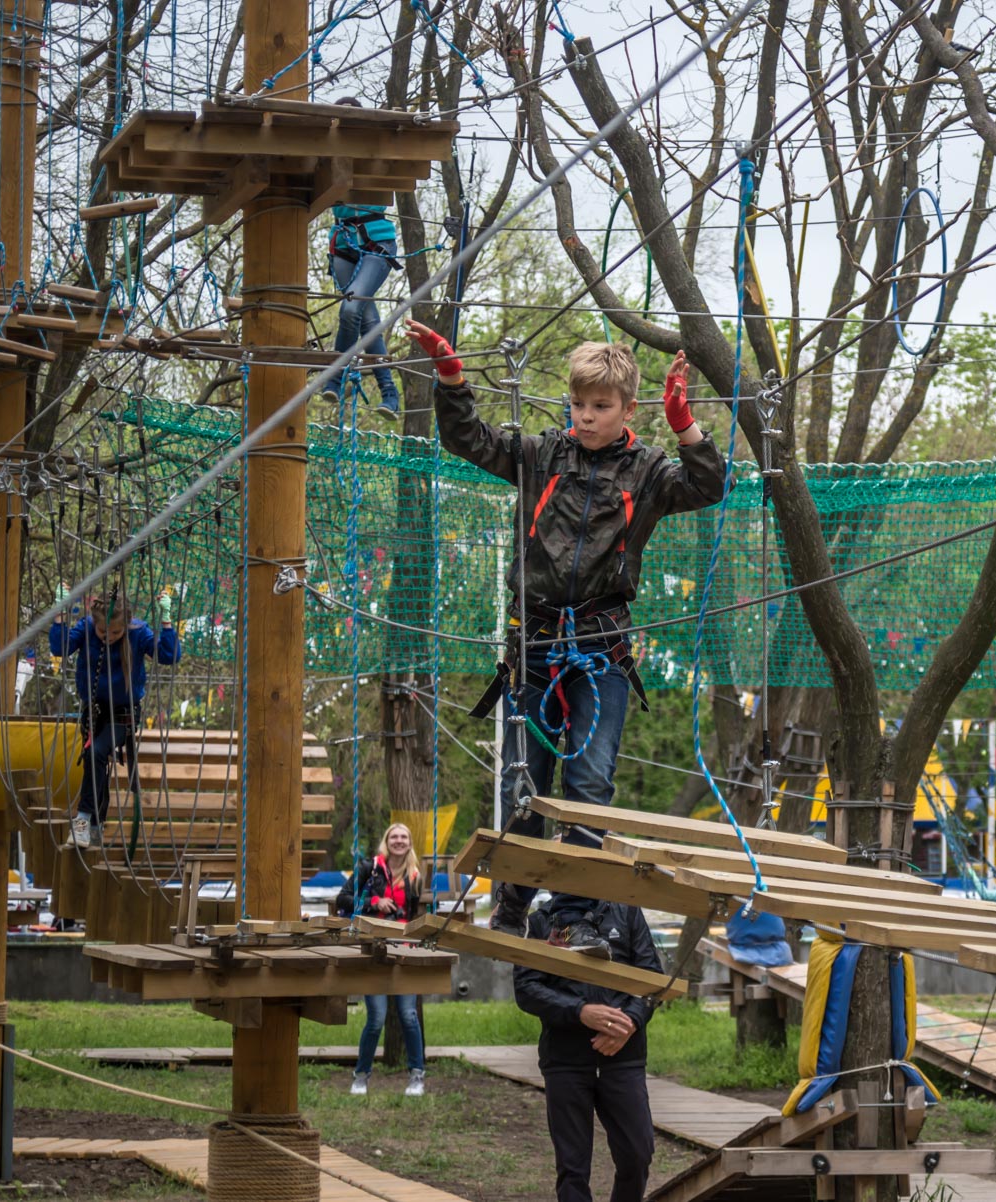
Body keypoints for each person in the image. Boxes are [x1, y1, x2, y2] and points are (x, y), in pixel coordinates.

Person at [415, 319, 726, 952]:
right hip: (533, 641)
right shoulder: (540, 455)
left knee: (590, 783)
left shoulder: (649, 470)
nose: (585, 417)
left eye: (600, 407)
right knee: (528, 779)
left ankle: (576, 912)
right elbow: (467, 438)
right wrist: (451, 376)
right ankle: (513, 897)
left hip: (601, 645)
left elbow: (709, 485)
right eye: (578, 405)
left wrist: (684, 423)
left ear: (626, 409)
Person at [514, 892, 663, 1202]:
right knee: (572, 1168)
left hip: (623, 1056)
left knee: (638, 1153)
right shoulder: (541, 921)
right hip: (566, 1060)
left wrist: (630, 1023)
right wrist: (580, 1012)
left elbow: (653, 979)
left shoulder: (627, 911)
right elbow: (526, 988)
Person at [50, 588, 181, 849]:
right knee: (94, 763)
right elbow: (59, 648)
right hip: (94, 711)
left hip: (123, 714)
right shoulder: (87, 628)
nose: (109, 638)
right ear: (95, 625)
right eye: (103, 633)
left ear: (127, 626)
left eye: (116, 633)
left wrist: (166, 621)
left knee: (96, 754)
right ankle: (96, 826)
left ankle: (83, 821)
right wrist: (59, 616)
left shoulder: (138, 633)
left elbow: (169, 656)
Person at [323, 97, 401, 420]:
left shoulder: (373, 149)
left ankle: (335, 377)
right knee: (367, 320)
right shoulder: (328, 152)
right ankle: (390, 395)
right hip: (343, 243)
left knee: (352, 308)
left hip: (376, 243)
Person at [351, 823, 428, 1097]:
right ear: (386, 841)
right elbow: (344, 899)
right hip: (375, 949)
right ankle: (361, 1075)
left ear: (409, 843)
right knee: (376, 1018)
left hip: (404, 949)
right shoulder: (369, 869)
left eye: (404, 837)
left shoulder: (415, 875)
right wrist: (374, 902)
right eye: (394, 836)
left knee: (408, 1015)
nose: (399, 841)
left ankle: (417, 1075)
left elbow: (423, 910)